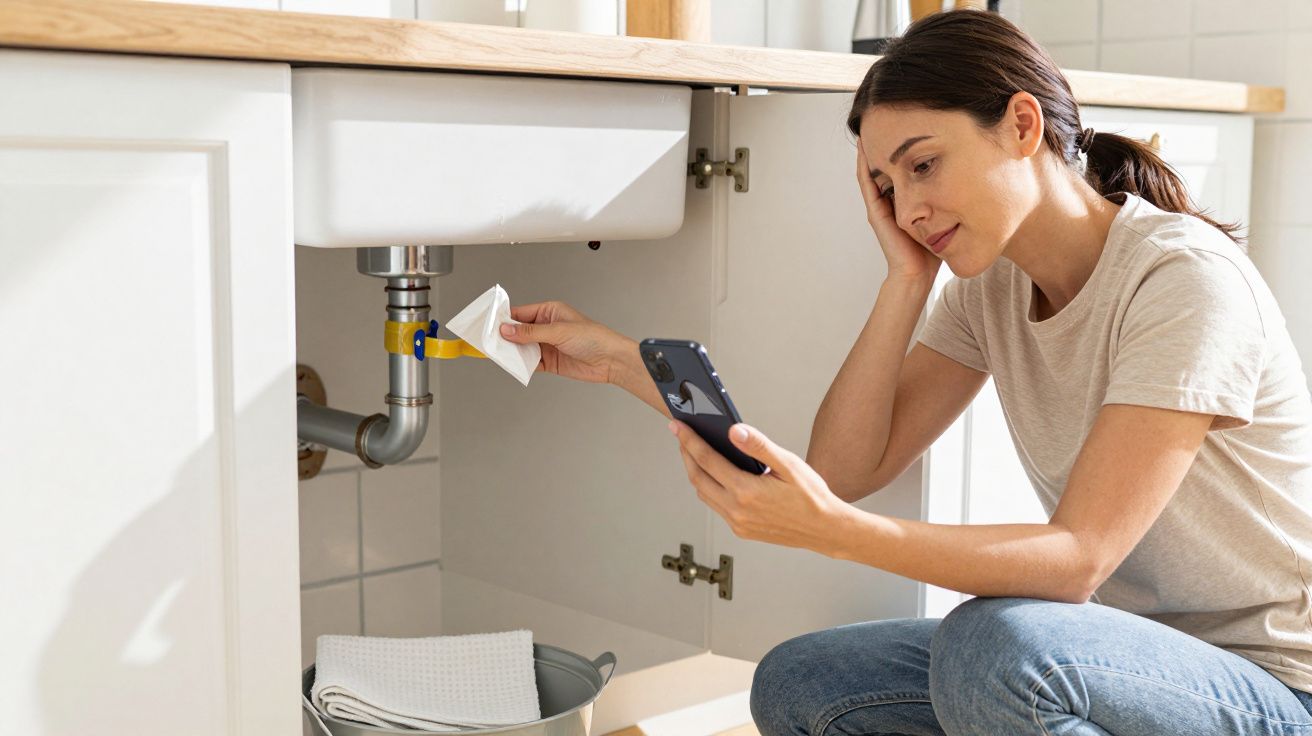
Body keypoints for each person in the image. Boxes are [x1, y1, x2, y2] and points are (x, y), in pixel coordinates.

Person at [497, 9, 1312, 734]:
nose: (909, 208)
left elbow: (1078, 558)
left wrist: (841, 537)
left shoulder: (1180, 281)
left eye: (924, 166)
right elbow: (847, 470)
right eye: (886, 186)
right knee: (803, 680)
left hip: (1273, 687)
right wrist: (905, 280)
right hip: (1121, 656)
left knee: (994, 648)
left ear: (1021, 124)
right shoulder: (988, 286)